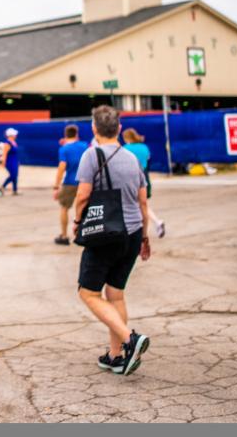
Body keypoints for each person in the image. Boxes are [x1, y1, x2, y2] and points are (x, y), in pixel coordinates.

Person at [74, 105, 152, 376]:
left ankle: (130, 339)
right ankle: (116, 355)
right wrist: (144, 236)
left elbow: (83, 196)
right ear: (118, 129)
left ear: (94, 129)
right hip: (131, 233)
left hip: (105, 234)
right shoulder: (132, 158)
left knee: (88, 292)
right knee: (115, 292)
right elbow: (143, 201)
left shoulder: (91, 155)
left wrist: (76, 222)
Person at [122, 128, 165, 238]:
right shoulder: (144, 147)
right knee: (142, 203)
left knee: (137, 205)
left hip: (131, 178)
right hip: (145, 177)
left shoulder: (125, 149)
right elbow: (147, 160)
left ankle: (153, 224)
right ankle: (155, 223)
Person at [53, 124, 88, 245]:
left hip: (69, 182)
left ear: (65, 134)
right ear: (77, 134)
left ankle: (64, 235)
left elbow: (62, 167)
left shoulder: (64, 149)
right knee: (84, 209)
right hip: (85, 181)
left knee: (64, 208)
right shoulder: (84, 146)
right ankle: (82, 234)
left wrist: (56, 186)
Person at [0, 127, 21, 195]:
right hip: (9, 162)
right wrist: (3, 163)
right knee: (13, 175)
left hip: (15, 161)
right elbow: (4, 154)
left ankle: (15, 190)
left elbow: (15, 153)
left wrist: (18, 161)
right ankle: (2, 187)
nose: (16, 135)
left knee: (15, 175)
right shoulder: (7, 143)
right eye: (14, 134)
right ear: (11, 135)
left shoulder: (14, 142)